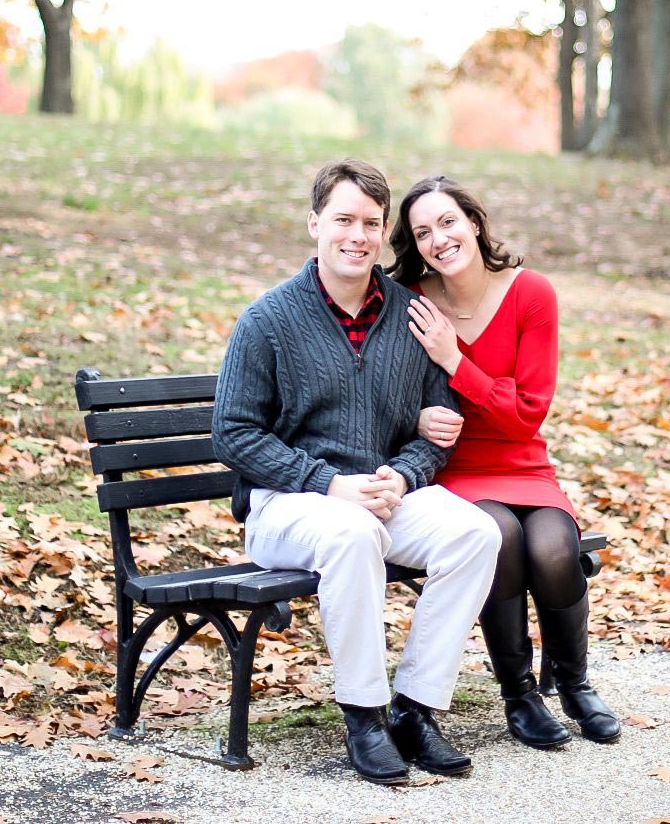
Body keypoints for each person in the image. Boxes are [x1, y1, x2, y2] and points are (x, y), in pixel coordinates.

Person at [211, 160, 501, 785]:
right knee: (351, 533)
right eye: (343, 219)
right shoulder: (269, 320)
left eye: (372, 223)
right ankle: (363, 716)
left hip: (381, 496)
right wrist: (328, 483)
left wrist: (404, 474)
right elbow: (232, 433)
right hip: (290, 507)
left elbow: (439, 422)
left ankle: (415, 710)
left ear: (384, 231)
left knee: (475, 534)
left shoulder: (410, 315)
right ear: (315, 223)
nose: (358, 235)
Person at [392, 174, 622, 749]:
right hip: (455, 468)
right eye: (422, 232)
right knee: (499, 536)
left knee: (552, 545)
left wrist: (454, 360)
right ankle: (519, 694)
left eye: (447, 222)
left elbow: (527, 415)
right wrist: (417, 420)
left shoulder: (532, 293)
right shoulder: (412, 302)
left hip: (522, 461)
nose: (438, 239)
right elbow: (389, 395)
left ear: (473, 221)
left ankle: (574, 684)